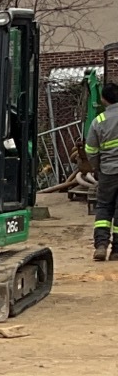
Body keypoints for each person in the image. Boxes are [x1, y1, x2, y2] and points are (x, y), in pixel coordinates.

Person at [86, 90, 118, 261]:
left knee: (104, 207)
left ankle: (101, 245)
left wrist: (97, 167)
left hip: (108, 171)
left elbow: (90, 150)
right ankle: (117, 251)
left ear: (103, 100)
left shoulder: (99, 121)